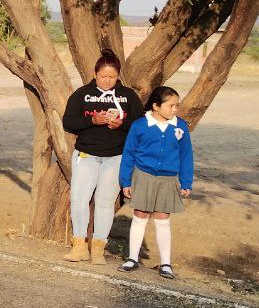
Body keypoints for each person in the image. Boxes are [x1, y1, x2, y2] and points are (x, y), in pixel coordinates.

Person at [61, 49, 144, 264]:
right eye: (103, 76)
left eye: (112, 77)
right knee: (79, 200)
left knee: (105, 202)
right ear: (95, 73)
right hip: (86, 155)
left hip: (115, 157)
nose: (107, 81)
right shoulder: (82, 94)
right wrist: (93, 121)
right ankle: (79, 246)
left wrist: (121, 124)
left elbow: (140, 126)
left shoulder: (128, 96)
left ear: (118, 76)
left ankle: (98, 248)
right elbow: (68, 122)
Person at [117, 86, 194, 279]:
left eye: (177, 105)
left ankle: (166, 263)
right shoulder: (140, 125)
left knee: (162, 218)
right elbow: (129, 154)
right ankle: (132, 258)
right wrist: (125, 181)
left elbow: (186, 156)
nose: (175, 109)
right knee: (140, 215)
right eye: (171, 105)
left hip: (168, 179)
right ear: (156, 106)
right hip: (143, 176)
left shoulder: (180, 126)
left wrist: (186, 182)